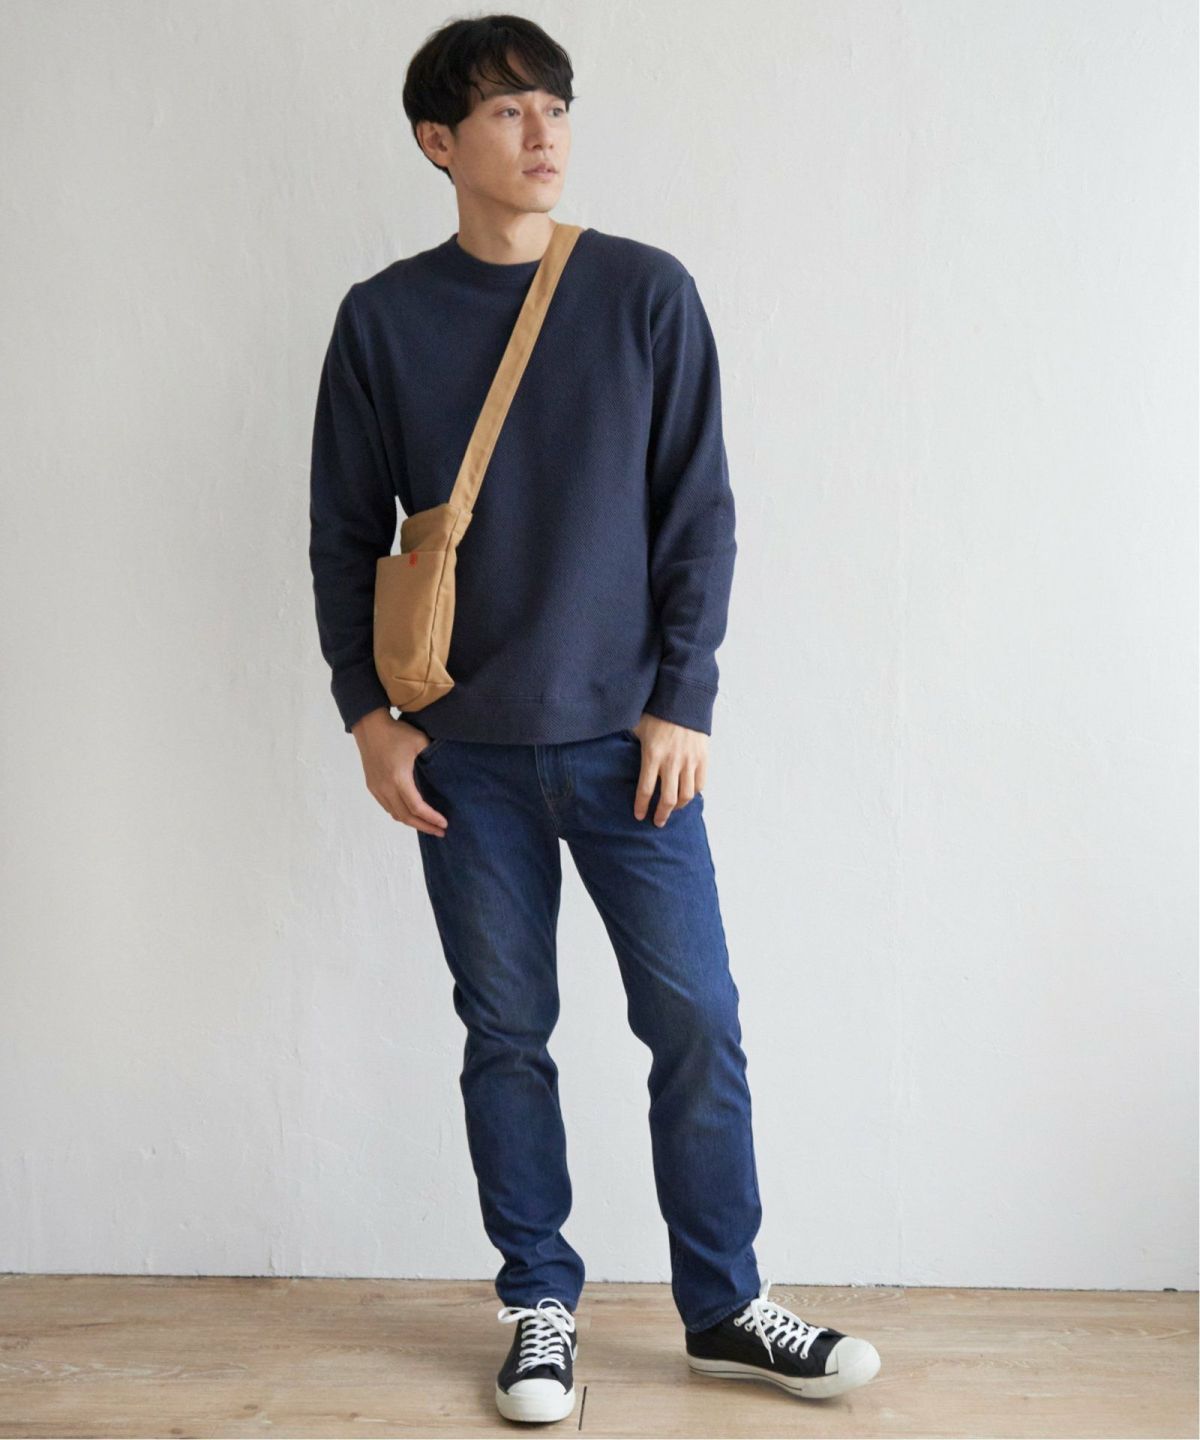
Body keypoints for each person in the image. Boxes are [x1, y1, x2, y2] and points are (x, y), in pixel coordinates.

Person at [309, 12, 881, 1423]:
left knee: (697, 1021)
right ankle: (539, 1306)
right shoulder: (382, 318)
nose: (544, 133)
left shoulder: (644, 292)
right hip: (463, 758)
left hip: (632, 749)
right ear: (439, 142)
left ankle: (724, 1306)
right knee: (507, 1033)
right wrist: (368, 716)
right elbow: (343, 534)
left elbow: (700, 514)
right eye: (508, 112)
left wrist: (685, 698)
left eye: (556, 107)